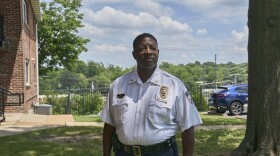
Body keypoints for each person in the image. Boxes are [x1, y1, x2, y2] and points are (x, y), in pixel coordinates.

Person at [100, 33, 202, 156]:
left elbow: (188, 127)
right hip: (124, 152)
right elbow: (109, 125)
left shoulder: (175, 85)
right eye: (142, 48)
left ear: (158, 52)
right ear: (134, 55)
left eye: (153, 48)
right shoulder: (118, 85)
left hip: (162, 152)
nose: (148, 52)